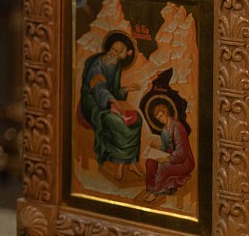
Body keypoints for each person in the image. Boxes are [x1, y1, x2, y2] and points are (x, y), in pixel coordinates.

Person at [79, 32, 144, 179]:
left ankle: (132, 162)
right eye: (112, 49)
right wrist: (112, 101)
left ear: (122, 55)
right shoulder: (98, 65)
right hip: (94, 105)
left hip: (108, 103)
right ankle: (120, 164)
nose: (112, 53)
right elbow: (99, 89)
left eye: (117, 51)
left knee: (137, 120)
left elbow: (113, 90)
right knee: (118, 123)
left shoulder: (116, 65)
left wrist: (125, 90)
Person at [142, 98, 194, 203]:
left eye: (161, 116)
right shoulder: (164, 130)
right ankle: (151, 189)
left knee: (163, 166)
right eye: (158, 118)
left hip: (184, 162)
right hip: (171, 157)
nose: (160, 119)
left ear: (166, 113)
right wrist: (156, 149)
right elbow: (166, 148)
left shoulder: (177, 127)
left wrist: (166, 159)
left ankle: (155, 192)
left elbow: (181, 153)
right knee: (150, 162)